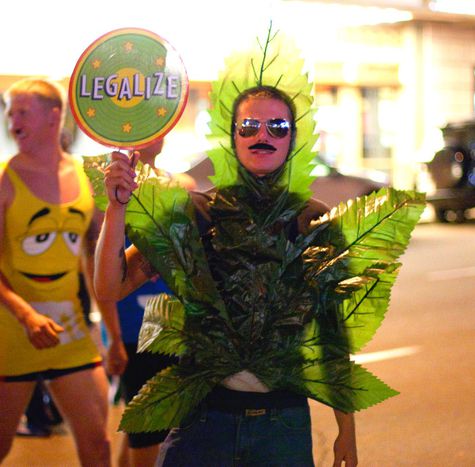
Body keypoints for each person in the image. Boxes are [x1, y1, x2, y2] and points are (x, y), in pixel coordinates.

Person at [94, 84, 356, 466]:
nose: (262, 136)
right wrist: (117, 208)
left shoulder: (314, 222)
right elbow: (109, 285)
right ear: (232, 137)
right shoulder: (196, 215)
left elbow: (332, 331)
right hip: (202, 423)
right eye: (249, 125)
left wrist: (346, 430)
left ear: (292, 139)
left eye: (277, 126)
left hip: (283, 426)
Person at [0, 78, 127, 466]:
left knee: (98, 446)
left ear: (54, 116)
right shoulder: (5, 181)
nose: (11, 119)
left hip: (69, 333)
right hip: (10, 333)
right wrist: (25, 314)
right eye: (8, 110)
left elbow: (96, 263)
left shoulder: (86, 177)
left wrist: (114, 338)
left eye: (21, 111)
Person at [116, 140, 195, 467]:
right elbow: (96, 267)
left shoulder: (183, 186)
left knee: (154, 426)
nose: (156, 134)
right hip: (134, 329)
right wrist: (110, 337)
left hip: (175, 326)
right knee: (146, 433)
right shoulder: (110, 187)